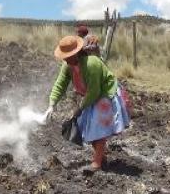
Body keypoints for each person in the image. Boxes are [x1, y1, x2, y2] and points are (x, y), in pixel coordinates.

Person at [45, 36, 130, 171]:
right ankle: (101, 157)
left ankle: (96, 163)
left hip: (104, 93)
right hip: (91, 96)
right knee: (86, 127)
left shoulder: (91, 63)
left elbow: (94, 90)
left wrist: (80, 108)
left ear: (76, 53)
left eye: (67, 56)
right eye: (64, 56)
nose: (65, 59)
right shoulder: (67, 66)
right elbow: (60, 84)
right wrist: (52, 104)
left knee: (98, 128)